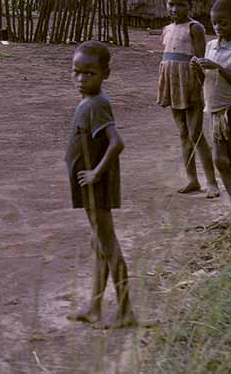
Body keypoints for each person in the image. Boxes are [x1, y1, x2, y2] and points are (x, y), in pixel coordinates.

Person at [65, 41, 137, 329]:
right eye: (77, 73)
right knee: (98, 244)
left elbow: (117, 143)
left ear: (105, 73)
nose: (81, 80)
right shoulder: (89, 102)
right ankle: (95, 306)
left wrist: (95, 172)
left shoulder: (98, 104)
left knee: (108, 245)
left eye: (89, 74)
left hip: (96, 185)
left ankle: (126, 311)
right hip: (88, 184)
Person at [157, 0, 219, 197]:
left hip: (190, 83)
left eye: (180, 5)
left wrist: (200, 86)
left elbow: (200, 59)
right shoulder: (166, 29)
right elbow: (168, 58)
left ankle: (211, 182)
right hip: (173, 85)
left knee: (195, 133)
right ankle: (192, 179)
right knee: (183, 133)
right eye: (171, 4)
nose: (175, 9)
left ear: (190, 6)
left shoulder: (195, 28)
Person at [193, 0, 231, 218]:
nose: (218, 27)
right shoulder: (210, 45)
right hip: (215, 110)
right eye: (214, 23)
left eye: (223, 23)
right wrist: (197, 69)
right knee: (219, 159)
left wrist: (216, 67)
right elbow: (205, 81)